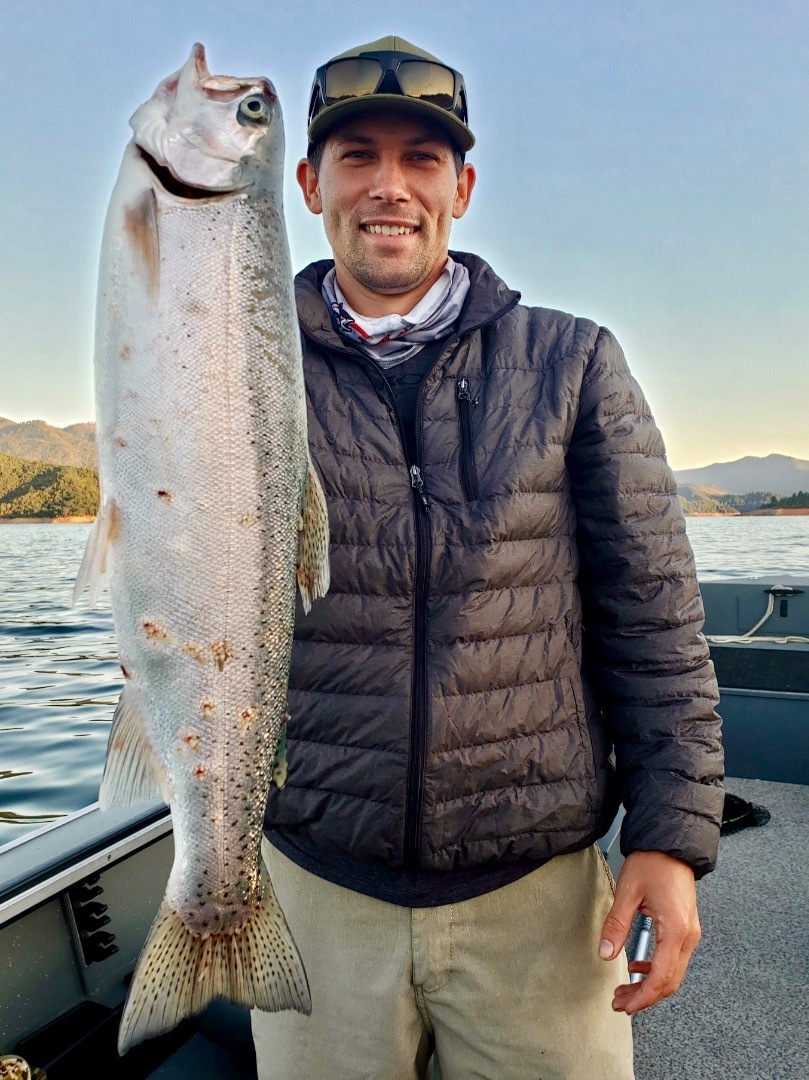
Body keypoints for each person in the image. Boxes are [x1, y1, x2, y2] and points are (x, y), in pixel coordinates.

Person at [253, 35, 724, 1080]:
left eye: (421, 160)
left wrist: (669, 840)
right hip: (313, 887)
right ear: (307, 182)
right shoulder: (241, 370)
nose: (388, 187)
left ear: (461, 187)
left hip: (535, 897)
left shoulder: (572, 362)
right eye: (356, 156)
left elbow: (652, 618)